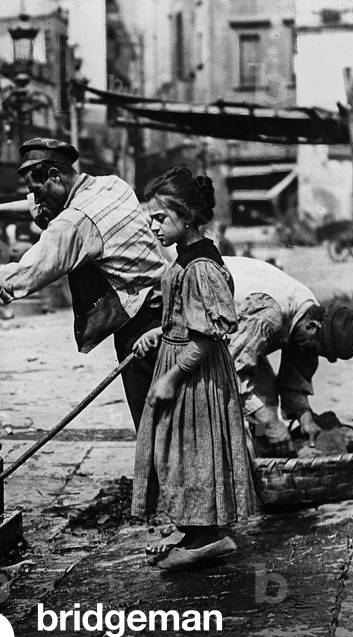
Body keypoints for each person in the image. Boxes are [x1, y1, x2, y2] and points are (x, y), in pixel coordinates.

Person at [0, 138, 167, 428]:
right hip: (170, 311)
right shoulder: (112, 185)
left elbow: (24, 274)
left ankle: (158, 475)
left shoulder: (75, 223)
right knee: (177, 420)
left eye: (37, 190)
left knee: (154, 426)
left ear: (55, 175)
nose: (37, 201)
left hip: (142, 329)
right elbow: (39, 206)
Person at [131, 166, 257, 570]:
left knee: (193, 451)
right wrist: (160, 333)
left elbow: (207, 336)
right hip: (183, 363)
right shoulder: (187, 258)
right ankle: (192, 526)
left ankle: (209, 537)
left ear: (187, 217)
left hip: (195, 376)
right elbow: (189, 318)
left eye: (161, 218)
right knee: (177, 452)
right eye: (151, 217)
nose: (154, 225)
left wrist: (170, 376)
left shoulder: (201, 266)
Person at [224, 256, 353, 452]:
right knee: (249, 414)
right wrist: (271, 425)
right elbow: (232, 375)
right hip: (201, 320)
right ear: (313, 327)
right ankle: (252, 455)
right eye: (317, 350)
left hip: (243, 337)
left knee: (267, 406)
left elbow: (296, 376)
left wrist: (305, 417)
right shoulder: (267, 314)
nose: (313, 354)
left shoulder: (310, 314)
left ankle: (263, 449)